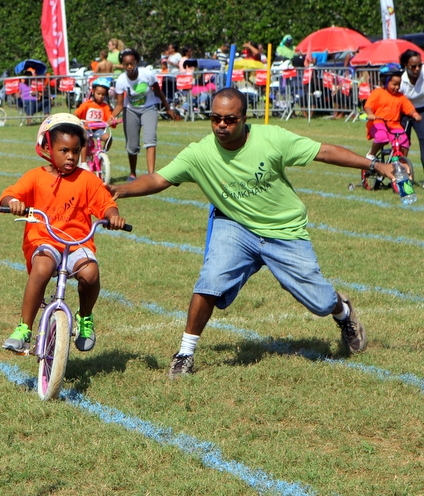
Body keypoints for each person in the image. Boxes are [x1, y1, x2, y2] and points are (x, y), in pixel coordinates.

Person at [108, 88, 394, 378]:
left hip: (283, 229)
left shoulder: (271, 138)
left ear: (244, 118)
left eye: (230, 119)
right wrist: (121, 190)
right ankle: (185, 353)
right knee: (210, 281)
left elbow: (324, 152)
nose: (221, 125)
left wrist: (375, 164)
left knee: (321, 302)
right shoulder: (199, 153)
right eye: (215, 118)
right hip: (235, 226)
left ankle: (343, 311)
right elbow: (159, 179)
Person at [0, 113, 127, 353]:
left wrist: (113, 216)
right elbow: (9, 195)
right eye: (64, 150)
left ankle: (85, 318)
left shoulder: (87, 180)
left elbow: (106, 204)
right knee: (42, 268)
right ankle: (24, 328)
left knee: (90, 272)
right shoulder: (35, 176)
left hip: (78, 243)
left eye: (76, 151)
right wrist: (13, 202)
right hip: (44, 240)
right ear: (48, 148)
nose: (71, 157)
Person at [108, 48, 176, 181]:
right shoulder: (121, 80)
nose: (129, 67)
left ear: (136, 62)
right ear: (123, 65)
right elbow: (120, 104)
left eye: (131, 63)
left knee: (150, 140)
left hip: (149, 108)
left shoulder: (147, 74)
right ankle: (132, 173)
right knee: (132, 145)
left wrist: (168, 108)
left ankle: (151, 175)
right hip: (130, 110)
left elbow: (159, 92)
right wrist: (112, 116)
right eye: (126, 64)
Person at [363, 63, 421, 161]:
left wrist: (415, 114)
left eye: (399, 84)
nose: (397, 87)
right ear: (385, 82)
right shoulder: (378, 92)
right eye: (394, 84)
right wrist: (370, 114)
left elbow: (408, 108)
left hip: (394, 125)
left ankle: (402, 162)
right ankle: (371, 153)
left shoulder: (400, 97)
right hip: (378, 122)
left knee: (404, 140)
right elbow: (368, 106)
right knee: (382, 136)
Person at [74, 77, 114, 165]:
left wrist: (111, 121)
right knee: (85, 139)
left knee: (108, 138)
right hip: (87, 129)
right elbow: (77, 113)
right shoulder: (86, 104)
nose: (101, 96)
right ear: (93, 92)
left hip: (98, 130)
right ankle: (83, 163)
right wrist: (76, 119)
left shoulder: (105, 106)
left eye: (103, 94)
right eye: (98, 94)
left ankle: (104, 154)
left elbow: (109, 117)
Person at [400, 50, 424, 176]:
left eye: (420, 65)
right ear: (405, 65)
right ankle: (400, 175)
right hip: (403, 112)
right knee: (403, 143)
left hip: (421, 110)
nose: (417, 69)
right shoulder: (400, 79)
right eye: (413, 66)